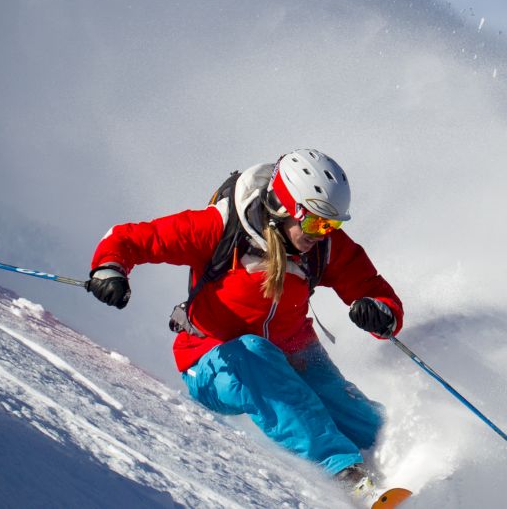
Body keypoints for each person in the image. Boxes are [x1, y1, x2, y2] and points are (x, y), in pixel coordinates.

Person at [87, 149, 403, 500]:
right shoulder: (220, 228)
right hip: (213, 361)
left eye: (332, 225)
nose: (322, 233)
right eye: (315, 222)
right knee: (257, 355)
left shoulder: (322, 247)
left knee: (354, 412)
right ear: (284, 209)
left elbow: (372, 287)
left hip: (292, 351)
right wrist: (109, 268)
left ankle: (401, 458)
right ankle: (344, 473)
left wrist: (380, 312)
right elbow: (127, 239)